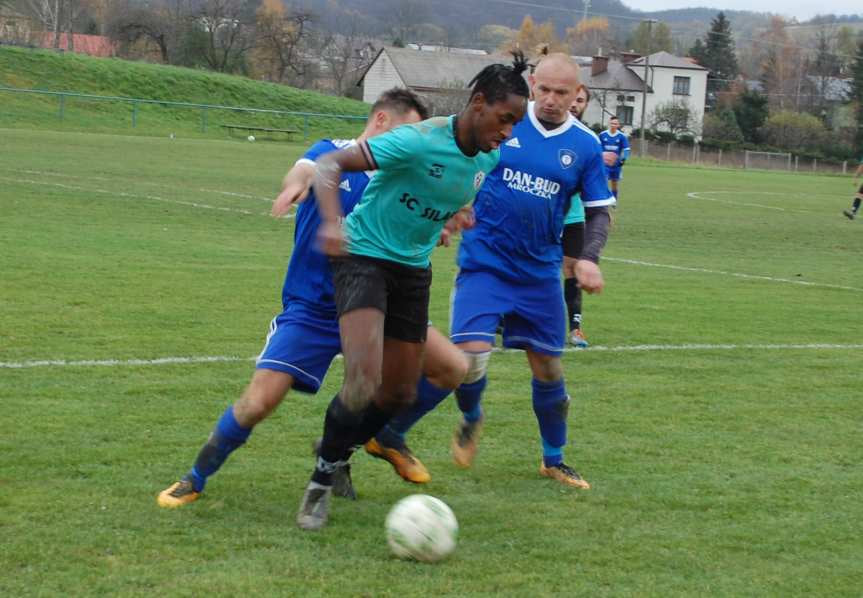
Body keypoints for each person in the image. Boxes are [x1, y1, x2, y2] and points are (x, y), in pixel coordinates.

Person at [155, 88, 430, 509]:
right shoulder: (333, 152)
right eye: (405, 133)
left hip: (377, 303)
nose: (409, 146)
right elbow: (304, 172)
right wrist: (292, 187)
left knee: (452, 367)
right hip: (315, 307)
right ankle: (195, 477)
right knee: (258, 402)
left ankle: (359, 444)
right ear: (380, 122)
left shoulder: (404, 176)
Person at [296, 54, 531, 531]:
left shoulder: (488, 155)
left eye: (514, 124)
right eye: (505, 119)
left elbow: (456, 194)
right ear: (478, 103)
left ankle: (335, 450)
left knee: (400, 392)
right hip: (362, 256)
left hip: (411, 269)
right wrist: (330, 223)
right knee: (362, 381)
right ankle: (319, 484)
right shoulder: (417, 140)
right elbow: (328, 165)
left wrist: (452, 217)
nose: (508, 132)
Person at [369, 53, 614, 489]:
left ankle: (553, 459)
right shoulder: (505, 124)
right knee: (470, 357)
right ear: (533, 83)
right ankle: (442, 421)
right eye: (545, 90)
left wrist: (588, 257)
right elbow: (457, 166)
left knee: (549, 369)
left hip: (539, 272)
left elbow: (598, 212)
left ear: (579, 94)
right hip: (485, 262)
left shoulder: (586, 146)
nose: (553, 100)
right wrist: (447, 214)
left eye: (563, 93)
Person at [563, 83, 591, 348]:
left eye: (581, 100)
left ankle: (575, 328)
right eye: (573, 98)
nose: (575, 104)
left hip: (573, 217)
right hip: (542, 217)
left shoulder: (587, 140)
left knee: (572, 271)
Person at [599, 116, 630, 200]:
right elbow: (597, 147)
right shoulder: (602, 135)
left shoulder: (622, 136)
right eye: (612, 123)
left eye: (615, 124)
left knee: (614, 183)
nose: (613, 125)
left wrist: (623, 159)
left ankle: (614, 200)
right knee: (604, 181)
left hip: (616, 165)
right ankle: (604, 198)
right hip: (605, 164)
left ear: (618, 125)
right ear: (609, 124)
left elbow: (627, 149)